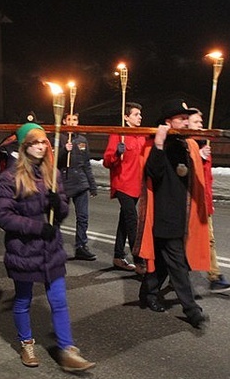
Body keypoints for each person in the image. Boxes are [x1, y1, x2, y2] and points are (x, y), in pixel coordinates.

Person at [0, 122, 95, 372]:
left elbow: (62, 211)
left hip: (51, 249)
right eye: (35, 143)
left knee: (59, 301)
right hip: (24, 249)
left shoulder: (53, 174)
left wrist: (57, 204)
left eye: (43, 143)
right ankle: (26, 344)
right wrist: (37, 227)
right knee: (24, 299)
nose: (41, 147)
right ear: (25, 146)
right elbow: (3, 216)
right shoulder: (10, 177)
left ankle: (67, 349)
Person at [135, 100, 210, 328]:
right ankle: (191, 310)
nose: (186, 122)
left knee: (162, 262)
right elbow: (153, 173)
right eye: (181, 118)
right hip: (165, 215)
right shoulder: (157, 145)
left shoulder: (187, 145)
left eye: (188, 118)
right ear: (168, 122)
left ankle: (147, 295)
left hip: (182, 213)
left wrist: (202, 156)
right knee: (177, 264)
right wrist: (158, 143)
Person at [188, 110, 230, 293]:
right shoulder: (186, 144)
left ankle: (214, 277)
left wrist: (209, 201)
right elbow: (184, 173)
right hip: (190, 202)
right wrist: (197, 157)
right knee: (187, 240)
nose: (200, 124)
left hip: (203, 201)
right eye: (196, 122)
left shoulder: (203, 143)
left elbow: (207, 179)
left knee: (208, 240)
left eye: (201, 121)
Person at [103, 102, 150, 273]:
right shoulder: (118, 134)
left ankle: (118, 256)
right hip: (123, 184)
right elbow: (107, 161)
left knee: (124, 220)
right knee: (132, 220)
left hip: (137, 185)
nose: (140, 117)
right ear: (126, 117)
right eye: (136, 114)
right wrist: (116, 152)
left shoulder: (142, 135)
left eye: (140, 114)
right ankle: (139, 260)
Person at [58, 112, 98, 261]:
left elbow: (86, 164)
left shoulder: (82, 140)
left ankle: (81, 246)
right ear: (63, 121)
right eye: (70, 120)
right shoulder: (58, 138)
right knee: (58, 216)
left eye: (75, 120)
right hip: (64, 182)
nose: (73, 123)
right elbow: (52, 161)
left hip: (81, 183)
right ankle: (54, 245)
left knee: (83, 217)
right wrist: (63, 151)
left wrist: (92, 185)